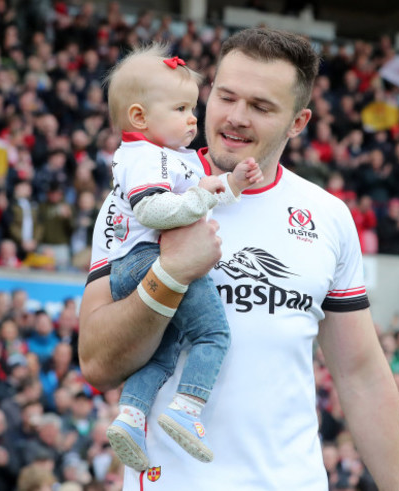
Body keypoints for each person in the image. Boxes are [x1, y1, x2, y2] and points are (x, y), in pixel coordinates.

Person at [79, 27, 399, 490]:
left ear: (298, 122)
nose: (235, 117)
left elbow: (361, 376)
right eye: (226, 96)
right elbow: (97, 363)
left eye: (260, 106)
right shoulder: (141, 194)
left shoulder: (328, 215)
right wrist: (170, 274)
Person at [101, 44, 262, 471]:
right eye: (180, 108)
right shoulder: (146, 156)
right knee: (213, 336)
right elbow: (152, 208)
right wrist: (196, 200)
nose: (194, 118)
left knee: (162, 352)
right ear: (139, 118)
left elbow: (205, 199)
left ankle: (132, 417)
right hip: (150, 261)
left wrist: (233, 184)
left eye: (193, 107)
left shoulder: (172, 156)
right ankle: (187, 409)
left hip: (140, 265)